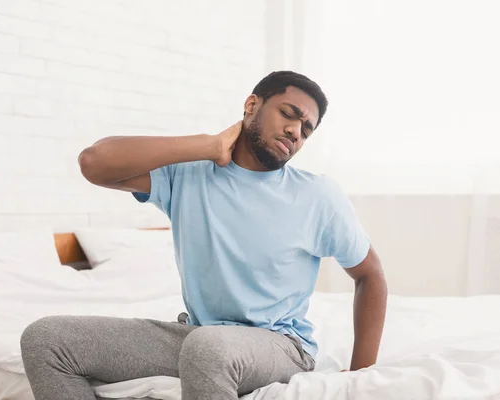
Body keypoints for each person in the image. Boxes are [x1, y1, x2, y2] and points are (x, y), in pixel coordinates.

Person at [20, 70, 388, 400]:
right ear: (252, 105)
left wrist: (360, 374)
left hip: (280, 345)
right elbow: (94, 162)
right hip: (198, 336)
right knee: (47, 340)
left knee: (208, 347)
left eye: (306, 130)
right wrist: (208, 146)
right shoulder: (189, 176)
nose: (295, 131)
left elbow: (370, 275)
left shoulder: (317, 196)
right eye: (289, 114)